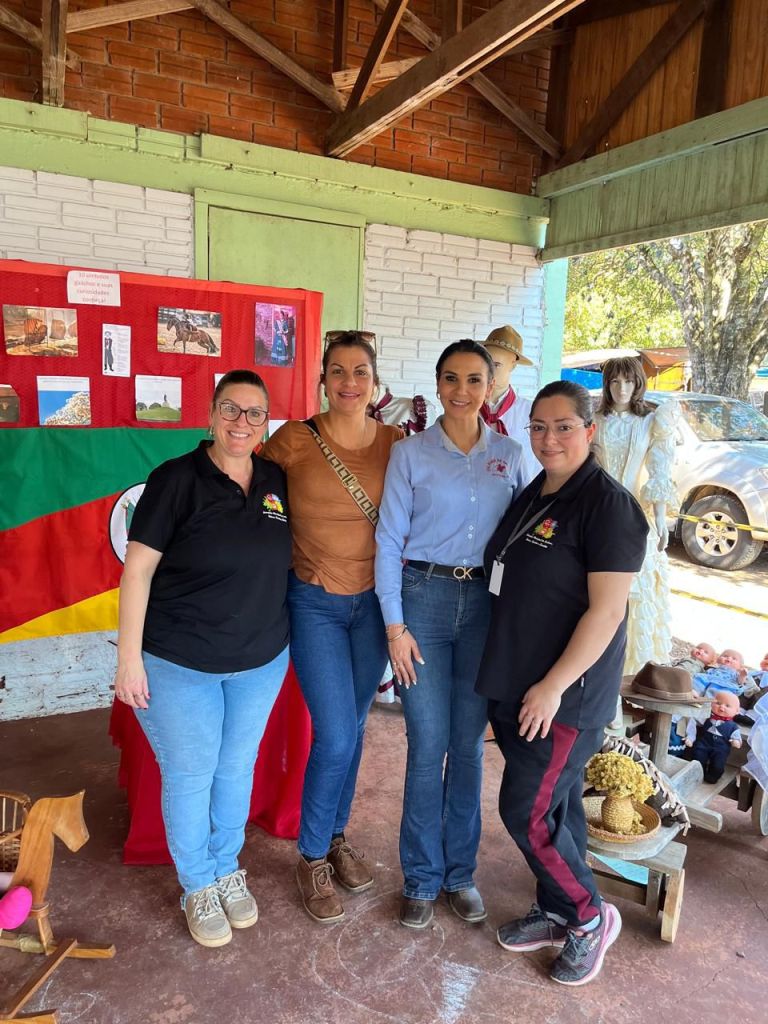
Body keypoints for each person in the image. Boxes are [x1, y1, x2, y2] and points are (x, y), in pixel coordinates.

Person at [476, 379, 648, 986]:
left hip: (564, 695)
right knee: (559, 806)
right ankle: (556, 910)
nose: (549, 438)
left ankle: (588, 916)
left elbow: (607, 612)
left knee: (524, 810)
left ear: (589, 430)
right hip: (517, 680)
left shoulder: (608, 506)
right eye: (539, 427)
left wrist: (552, 686)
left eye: (564, 427)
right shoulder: (540, 490)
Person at [113, 370, 291, 948]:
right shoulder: (175, 479)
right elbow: (137, 572)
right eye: (231, 409)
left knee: (235, 768)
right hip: (179, 662)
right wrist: (129, 659)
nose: (242, 422)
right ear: (212, 414)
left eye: (255, 413)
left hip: (260, 661)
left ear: (266, 422)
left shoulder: (275, 480)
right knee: (191, 775)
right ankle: (197, 884)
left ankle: (225, 866)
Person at [376, 339, 526, 930]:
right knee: (427, 743)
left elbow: (528, 538)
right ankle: (420, 877)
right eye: (450, 379)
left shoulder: (511, 455)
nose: (461, 391)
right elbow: (389, 540)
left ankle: (460, 874)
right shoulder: (410, 453)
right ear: (437, 384)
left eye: (473, 380)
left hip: (486, 607)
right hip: (424, 602)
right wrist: (395, 626)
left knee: (467, 747)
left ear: (490, 386)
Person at [261, 330, 402, 924]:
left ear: (375, 382)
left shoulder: (396, 443)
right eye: (338, 371)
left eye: (360, 371)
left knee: (356, 728)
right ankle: (312, 855)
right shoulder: (294, 440)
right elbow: (249, 499)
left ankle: (336, 837)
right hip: (314, 602)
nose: (349, 382)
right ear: (322, 380)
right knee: (337, 735)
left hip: (374, 606)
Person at [593, 356, 678, 675]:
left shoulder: (651, 421)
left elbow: (659, 470)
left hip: (634, 517)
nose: (622, 388)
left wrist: (660, 517)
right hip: (597, 514)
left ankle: (628, 675)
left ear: (638, 384)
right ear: (607, 385)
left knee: (635, 596)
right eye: (615, 381)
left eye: (628, 381)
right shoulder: (594, 419)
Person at [480, 325, 539, 483]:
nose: (489, 371)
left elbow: (535, 465)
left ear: (513, 364)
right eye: (486, 362)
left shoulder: (531, 413)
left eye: (496, 365)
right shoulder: (467, 408)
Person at [685, 689, 743, 783]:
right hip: (704, 743)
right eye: (718, 703)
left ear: (737, 711)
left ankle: (713, 776)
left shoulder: (733, 726)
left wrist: (736, 742)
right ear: (712, 704)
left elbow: (737, 738)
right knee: (698, 757)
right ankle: (698, 774)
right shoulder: (706, 717)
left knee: (718, 765)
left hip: (721, 748)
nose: (721, 707)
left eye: (727, 706)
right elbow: (694, 720)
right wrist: (691, 737)